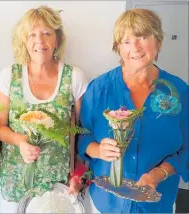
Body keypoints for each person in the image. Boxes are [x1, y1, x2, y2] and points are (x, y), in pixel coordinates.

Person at [77, 8, 188, 213]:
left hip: (157, 204)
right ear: (118, 48)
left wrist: (160, 173)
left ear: (158, 41)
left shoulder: (179, 91)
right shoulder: (99, 89)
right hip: (106, 204)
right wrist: (98, 149)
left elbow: (187, 149)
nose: (135, 47)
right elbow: (82, 138)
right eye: (126, 41)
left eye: (142, 37)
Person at [0, 5, 88, 213]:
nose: (39, 41)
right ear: (24, 40)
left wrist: (79, 173)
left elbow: (83, 131)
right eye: (32, 35)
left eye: (47, 33)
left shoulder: (74, 77)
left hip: (56, 183)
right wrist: (20, 141)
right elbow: (0, 128)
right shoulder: (8, 76)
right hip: (15, 181)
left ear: (57, 39)